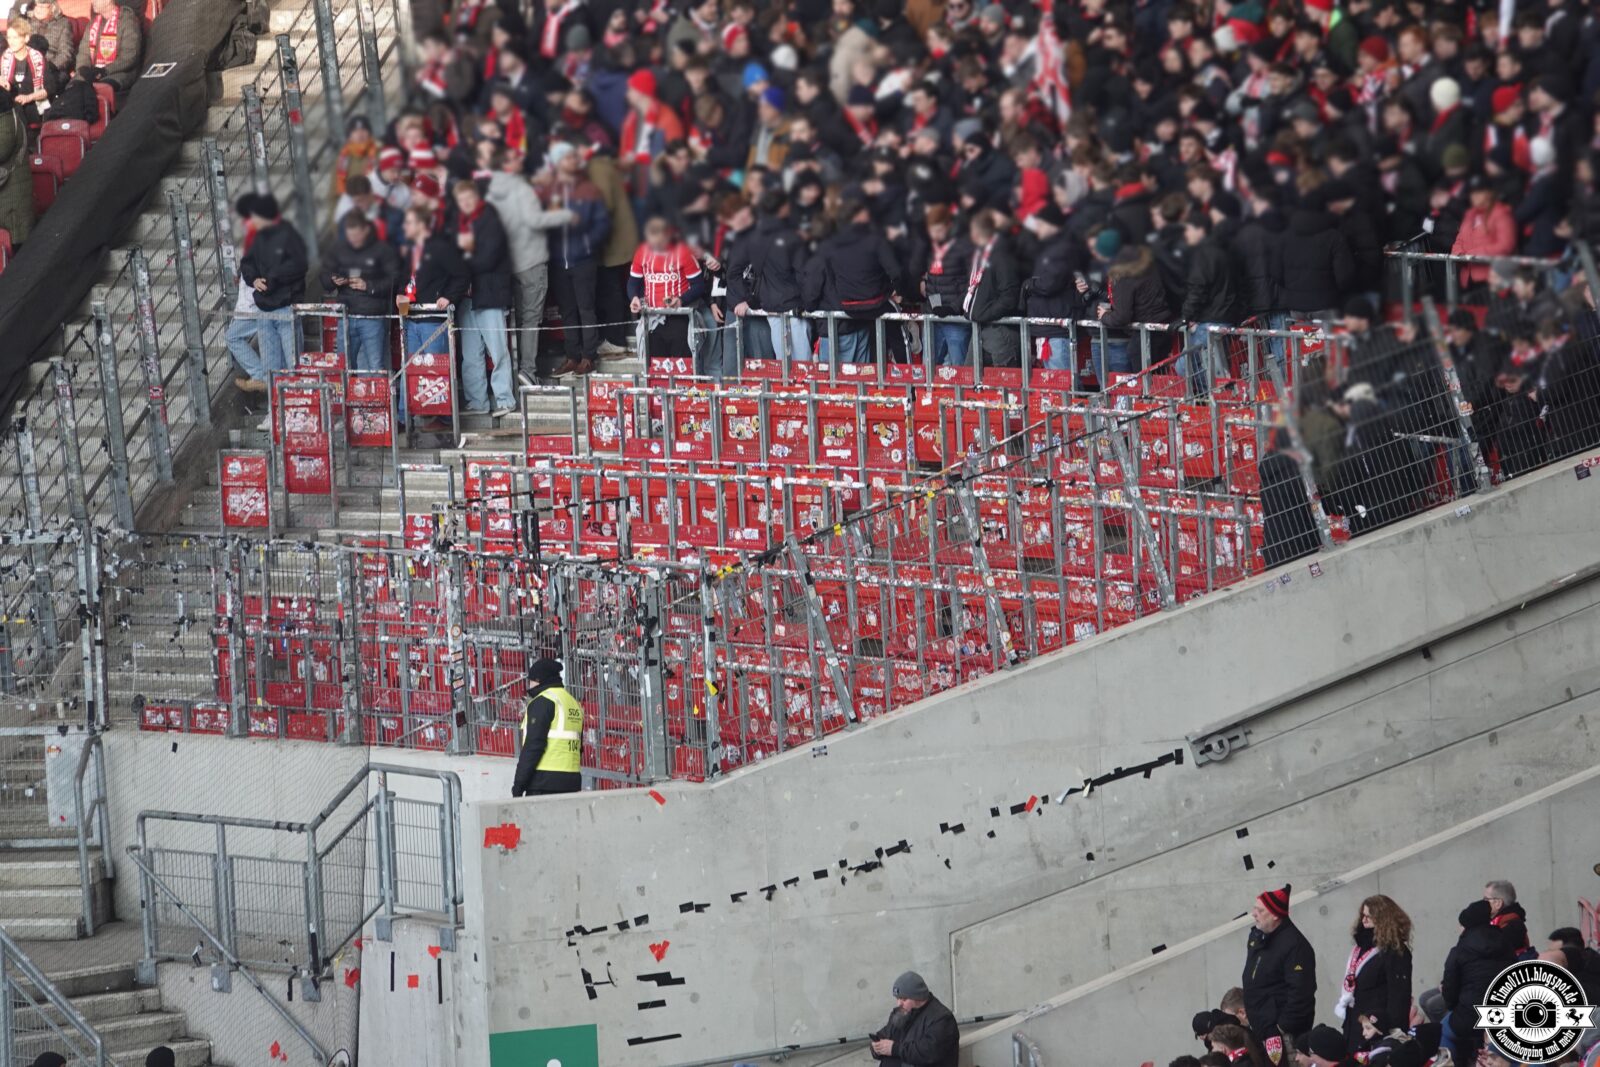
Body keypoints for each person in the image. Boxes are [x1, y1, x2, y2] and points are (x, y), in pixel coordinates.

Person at [804, 198, 902, 365]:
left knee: (832, 377)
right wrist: (892, 290)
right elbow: (895, 272)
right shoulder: (868, 242)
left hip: (839, 318)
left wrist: (808, 307)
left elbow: (812, 296)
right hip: (863, 316)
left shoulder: (823, 255)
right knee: (862, 373)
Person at [543, 140, 611, 376]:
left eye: (574, 157)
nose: (573, 161)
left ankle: (588, 356)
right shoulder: (550, 190)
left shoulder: (589, 189)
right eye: (567, 157)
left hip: (583, 260)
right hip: (558, 261)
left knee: (586, 308)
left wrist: (586, 244)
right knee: (567, 310)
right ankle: (572, 355)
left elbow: (602, 224)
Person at [452, 179, 517, 416]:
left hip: (490, 295)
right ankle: (477, 402)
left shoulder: (491, 220)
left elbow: (488, 258)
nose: (466, 203)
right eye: (461, 201)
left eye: (469, 199)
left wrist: (463, 257)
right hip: (467, 298)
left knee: (497, 351)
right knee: (470, 355)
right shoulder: (460, 223)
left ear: (477, 198)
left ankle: (505, 400)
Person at [237, 194, 309, 383]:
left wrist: (272, 278)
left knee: (294, 365)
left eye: (255, 216)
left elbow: (299, 265)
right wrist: (254, 280)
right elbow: (247, 263)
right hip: (264, 309)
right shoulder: (257, 238)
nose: (252, 220)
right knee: (271, 368)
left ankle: (295, 400)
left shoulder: (289, 235)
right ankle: (274, 401)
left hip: (287, 307)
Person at [320, 210, 402, 373]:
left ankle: (378, 391)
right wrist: (333, 280)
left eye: (357, 235)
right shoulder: (338, 249)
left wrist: (368, 286)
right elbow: (324, 275)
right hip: (346, 315)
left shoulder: (382, 250)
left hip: (372, 316)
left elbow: (395, 280)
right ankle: (346, 391)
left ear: (366, 230)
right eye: (350, 236)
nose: (353, 240)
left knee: (375, 367)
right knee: (343, 366)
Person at [1241, 884, 1316, 1056]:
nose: (1254, 914)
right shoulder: (1258, 936)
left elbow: (1301, 992)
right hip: (1260, 1031)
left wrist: (1281, 1028)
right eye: (1254, 908)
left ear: (1275, 915)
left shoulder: (1295, 946)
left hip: (1282, 1036)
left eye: (1260, 910)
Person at [1439, 898, 1515, 1061]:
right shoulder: (1507, 944)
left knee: (1443, 1031)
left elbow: (1450, 991)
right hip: (1504, 1013)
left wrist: (1454, 1006)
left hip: (1471, 1015)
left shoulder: (1459, 950)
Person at [1335, 895, 1413, 1054]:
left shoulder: (1395, 952)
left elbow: (1399, 997)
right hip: (1354, 1022)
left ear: (1383, 919)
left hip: (1377, 1026)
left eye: (1369, 916)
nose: (1364, 920)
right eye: (1362, 915)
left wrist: (1394, 1032)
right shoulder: (1361, 946)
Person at [629, 215, 708, 361]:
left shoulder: (683, 252)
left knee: (682, 365)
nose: (656, 248)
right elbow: (633, 283)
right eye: (652, 244)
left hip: (679, 317)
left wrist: (681, 300)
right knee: (655, 366)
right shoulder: (642, 251)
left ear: (668, 236)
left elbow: (699, 286)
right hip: (652, 318)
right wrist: (634, 297)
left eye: (660, 243)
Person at [511, 657, 584, 797]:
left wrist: (518, 785)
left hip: (544, 783)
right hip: (572, 781)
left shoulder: (543, 701)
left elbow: (533, 745)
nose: (529, 685)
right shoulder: (573, 703)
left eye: (531, 680)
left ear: (538, 680)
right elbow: (579, 746)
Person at [917, 203, 975, 367]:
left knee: (959, 368)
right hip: (933, 315)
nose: (935, 235)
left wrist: (954, 308)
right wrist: (923, 283)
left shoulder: (964, 247)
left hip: (956, 319)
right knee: (929, 368)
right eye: (931, 231)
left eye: (939, 230)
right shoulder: (931, 247)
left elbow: (972, 283)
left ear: (949, 226)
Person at [962, 208, 1022, 368]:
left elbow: (1009, 295)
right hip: (981, 328)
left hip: (1000, 330)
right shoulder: (981, 255)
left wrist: (985, 313)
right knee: (970, 376)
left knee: (1005, 380)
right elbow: (973, 288)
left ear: (975, 233)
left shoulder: (1001, 254)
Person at [1258, 429, 1320, 569]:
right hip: (1299, 541)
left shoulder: (1267, 467)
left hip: (1274, 544)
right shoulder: (1292, 468)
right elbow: (1306, 498)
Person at [867, 971, 958, 1067]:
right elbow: (886, 1034)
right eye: (897, 998)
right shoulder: (900, 1012)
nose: (899, 1003)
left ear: (918, 997)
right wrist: (876, 1047)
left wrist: (894, 1049)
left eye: (904, 999)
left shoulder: (942, 1018)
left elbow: (929, 1052)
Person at [72, 0, 141, 95]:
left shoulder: (127, 20)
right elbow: (84, 52)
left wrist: (105, 71)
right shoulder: (93, 24)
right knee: (73, 87)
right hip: (92, 72)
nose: (92, 2)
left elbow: (129, 56)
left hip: (118, 73)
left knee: (96, 90)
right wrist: (83, 68)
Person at [3, 18, 51, 126]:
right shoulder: (5, 58)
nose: (11, 42)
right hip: (10, 106)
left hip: (33, 105)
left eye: (15, 37)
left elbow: (49, 88)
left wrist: (29, 97)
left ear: (26, 38)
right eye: (9, 37)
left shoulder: (38, 59)